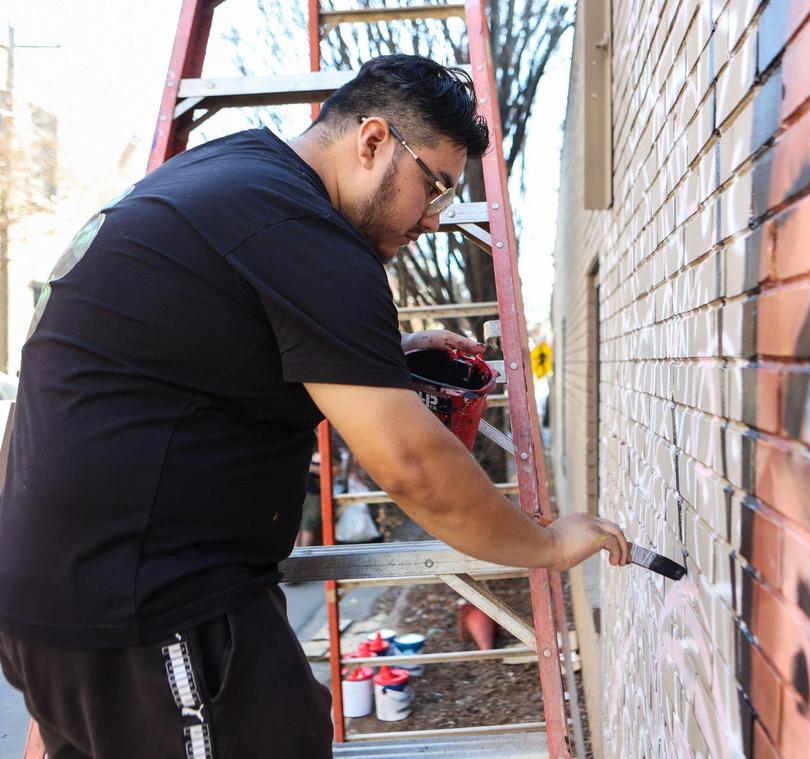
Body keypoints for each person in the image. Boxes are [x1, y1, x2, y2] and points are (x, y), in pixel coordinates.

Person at [0, 54, 630, 759]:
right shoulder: (311, 236)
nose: (430, 219)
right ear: (372, 141)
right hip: (155, 616)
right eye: (437, 187)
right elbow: (413, 466)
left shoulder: (231, 177)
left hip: (61, 604)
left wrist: (380, 351)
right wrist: (544, 544)